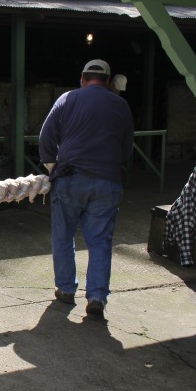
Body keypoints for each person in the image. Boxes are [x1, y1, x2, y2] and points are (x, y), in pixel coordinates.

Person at [38, 59, 134, 319]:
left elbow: (46, 138)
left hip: (70, 178)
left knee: (63, 236)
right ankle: (97, 297)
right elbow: (126, 149)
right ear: (108, 81)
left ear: (82, 78)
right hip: (107, 181)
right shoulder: (121, 105)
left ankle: (66, 290)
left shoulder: (67, 99)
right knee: (100, 241)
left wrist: (52, 169)